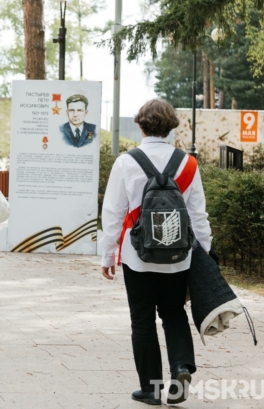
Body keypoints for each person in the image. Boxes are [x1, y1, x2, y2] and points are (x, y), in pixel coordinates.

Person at [100, 99, 213, 406]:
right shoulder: (188, 163)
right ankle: (180, 368)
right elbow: (197, 215)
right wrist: (205, 251)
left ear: (140, 125)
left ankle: (150, 390)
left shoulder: (126, 162)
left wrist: (108, 254)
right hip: (178, 257)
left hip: (137, 256)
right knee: (174, 313)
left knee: (142, 320)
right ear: (171, 126)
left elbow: (113, 213)